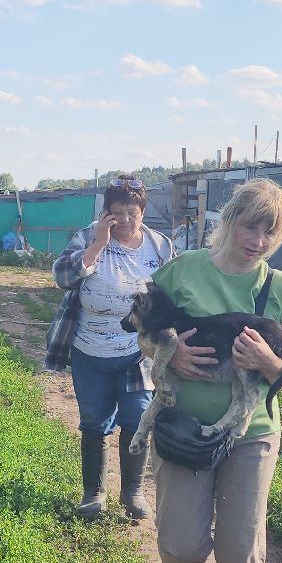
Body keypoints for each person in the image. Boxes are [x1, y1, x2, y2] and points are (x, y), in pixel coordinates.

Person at [145, 179, 282, 563]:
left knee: (240, 550)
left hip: (250, 434)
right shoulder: (183, 270)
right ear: (230, 219)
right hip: (182, 427)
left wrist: (269, 364)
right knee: (183, 543)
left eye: (269, 230)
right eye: (250, 224)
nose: (257, 238)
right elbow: (145, 332)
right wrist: (169, 360)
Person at [45, 177, 176, 520]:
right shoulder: (89, 236)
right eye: (117, 213)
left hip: (138, 355)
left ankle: (132, 492)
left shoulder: (159, 246)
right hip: (90, 350)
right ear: (106, 214)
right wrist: (97, 245)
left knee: (136, 418)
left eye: (132, 212)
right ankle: (93, 493)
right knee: (94, 421)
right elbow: (61, 277)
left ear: (142, 212)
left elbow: (172, 295)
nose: (125, 220)